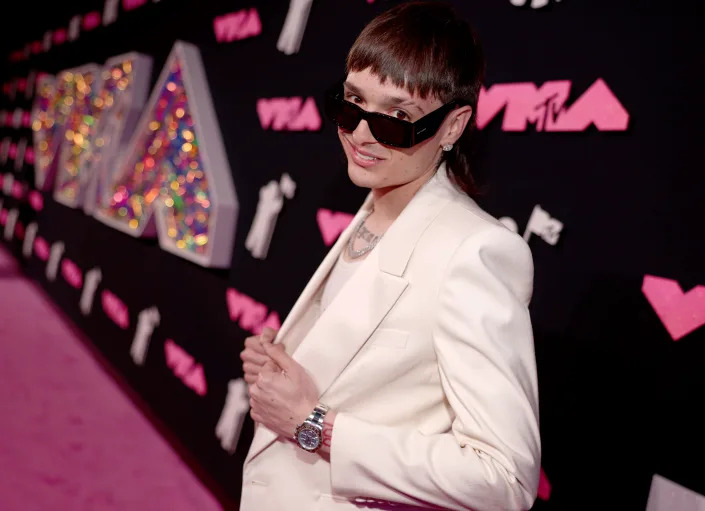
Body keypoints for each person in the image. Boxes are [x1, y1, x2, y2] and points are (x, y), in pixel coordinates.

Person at [239, 2, 541, 510]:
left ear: (451, 127)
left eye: (399, 118)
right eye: (352, 103)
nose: (361, 133)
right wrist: (287, 364)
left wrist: (315, 426)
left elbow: (504, 478)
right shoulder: (372, 210)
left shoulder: (475, 251)